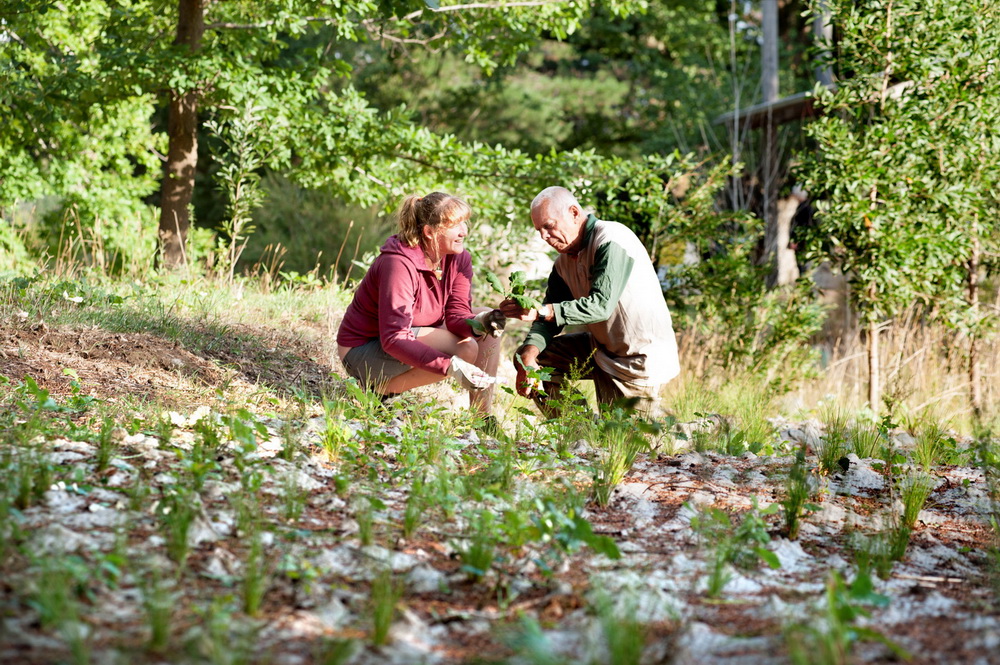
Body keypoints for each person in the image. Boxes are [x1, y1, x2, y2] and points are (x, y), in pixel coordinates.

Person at [500, 186, 679, 418]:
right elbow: (548, 321)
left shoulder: (612, 239)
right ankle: (579, 431)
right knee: (530, 357)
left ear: (574, 213)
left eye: (549, 226)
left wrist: (541, 311)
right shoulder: (563, 262)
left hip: (637, 360)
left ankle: (708, 427)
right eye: (539, 230)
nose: (544, 236)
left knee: (629, 445)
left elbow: (600, 306)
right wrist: (529, 357)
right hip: (600, 348)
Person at [337, 192, 506, 414]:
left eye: (464, 223)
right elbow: (394, 338)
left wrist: (483, 322)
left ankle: (483, 417)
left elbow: (456, 317)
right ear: (429, 232)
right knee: (466, 348)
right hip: (363, 350)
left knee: (484, 321)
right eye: (455, 225)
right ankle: (379, 392)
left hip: (409, 333)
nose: (464, 231)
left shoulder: (458, 258)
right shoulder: (398, 263)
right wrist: (449, 367)